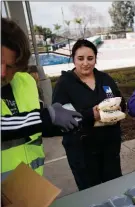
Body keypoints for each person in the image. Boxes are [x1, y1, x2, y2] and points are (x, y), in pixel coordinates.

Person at [1, 18, 82, 179]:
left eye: (10, 66)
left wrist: (56, 126)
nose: (2, 73)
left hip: (29, 185)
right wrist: (46, 117)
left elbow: (30, 126)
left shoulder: (26, 82)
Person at [52, 39, 126, 191]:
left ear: (95, 59)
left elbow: (121, 101)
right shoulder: (64, 85)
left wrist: (118, 107)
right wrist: (90, 115)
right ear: (73, 59)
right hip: (82, 151)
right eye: (80, 59)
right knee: (91, 193)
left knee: (114, 188)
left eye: (90, 58)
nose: (85, 63)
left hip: (109, 147)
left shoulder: (105, 79)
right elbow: (61, 119)